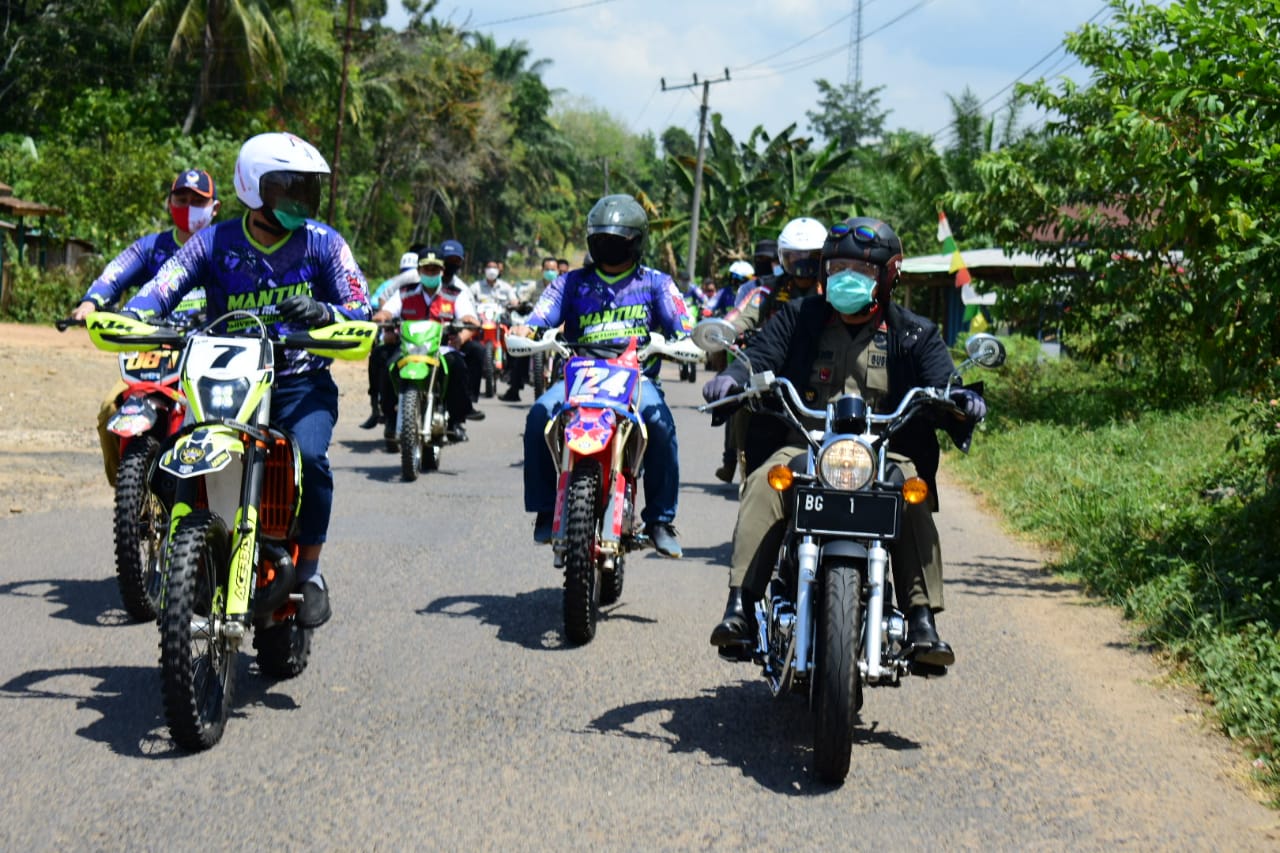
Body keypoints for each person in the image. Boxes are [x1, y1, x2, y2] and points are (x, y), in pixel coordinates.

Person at [701, 216, 988, 670]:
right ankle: (740, 606)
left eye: (861, 271)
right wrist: (733, 377)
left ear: (889, 274)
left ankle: (921, 619)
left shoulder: (914, 332)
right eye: (837, 269)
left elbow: (942, 378)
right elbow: (759, 356)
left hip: (883, 453)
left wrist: (962, 396)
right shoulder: (799, 318)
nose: (846, 279)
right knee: (762, 482)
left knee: (912, 490)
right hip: (805, 446)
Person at [122, 132, 371, 629]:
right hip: (225, 381)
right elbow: (161, 286)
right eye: (289, 188)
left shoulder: (324, 242)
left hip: (300, 384)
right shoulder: (215, 242)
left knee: (313, 459)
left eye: (308, 190)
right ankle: (190, 554)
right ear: (255, 189)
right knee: (174, 459)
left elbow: (360, 308)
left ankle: (310, 572)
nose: (301, 200)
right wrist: (134, 316)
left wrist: (325, 311)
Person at [513, 193, 693, 558]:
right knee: (538, 417)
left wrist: (686, 342)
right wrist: (524, 332)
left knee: (660, 426)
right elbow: (538, 319)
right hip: (579, 375)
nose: (609, 244)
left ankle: (659, 519)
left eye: (618, 239)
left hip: (636, 379)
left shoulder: (657, 283)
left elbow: (682, 325)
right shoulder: (571, 283)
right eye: (603, 238)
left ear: (636, 241)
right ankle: (546, 509)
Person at [72, 167, 220, 486]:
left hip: (209, 357)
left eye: (198, 200)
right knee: (109, 408)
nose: (188, 205)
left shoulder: (224, 249)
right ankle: (129, 493)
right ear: (169, 203)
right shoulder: (152, 248)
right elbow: (115, 273)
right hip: (152, 356)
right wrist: (91, 302)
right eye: (182, 198)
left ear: (215, 208)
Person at [713, 217, 828, 484]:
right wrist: (723, 331)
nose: (803, 263)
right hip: (771, 371)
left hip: (818, 371)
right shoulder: (766, 291)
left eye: (811, 257)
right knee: (741, 401)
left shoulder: (831, 292)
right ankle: (745, 467)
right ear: (783, 258)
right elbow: (739, 317)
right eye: (794, 257)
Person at [371, 247, 486, 445]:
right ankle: (388, 416)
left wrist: (466, 325)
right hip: (407, 347)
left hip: (440, 348)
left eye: (435, 269)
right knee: (384, 361)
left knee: (457, 365)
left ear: (442, 271)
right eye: (426, 269)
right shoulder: (404, 293)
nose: (431, 273)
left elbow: (470, 318)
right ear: (419, 271)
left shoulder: (454, 295)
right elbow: (387, 312)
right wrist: (383, 319)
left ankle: (456, 421)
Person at [360, 249, 421, 429]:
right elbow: (383, 303)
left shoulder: (443, 291)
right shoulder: (401, 289)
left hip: (430, 344)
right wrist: (387, 327)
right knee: (380, 357)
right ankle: (377, 408)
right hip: (402, 341)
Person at [501, 256, 559, 403]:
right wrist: (520, 304)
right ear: (542, 270)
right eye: (547, 269)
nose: (550, 272)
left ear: (558, 271)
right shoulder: (534, 286)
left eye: (553, 270)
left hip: (557, 327)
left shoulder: (562, 286)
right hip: (535, 327)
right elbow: (521, 300)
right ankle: (514, 389)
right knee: (522, 351)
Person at [439, 239, 487, 409]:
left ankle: (466, 404)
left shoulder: (461, 290)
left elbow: (472, 321)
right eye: (447, 260)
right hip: (419, 339)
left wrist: (460, 339)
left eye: (455, 261)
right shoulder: (416, 282)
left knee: (476, 351)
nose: (450, 265)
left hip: (450, 340)